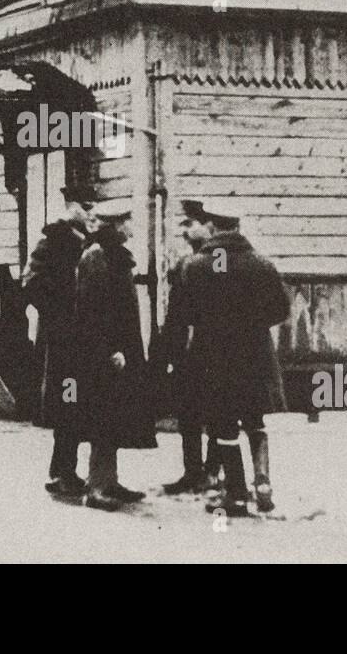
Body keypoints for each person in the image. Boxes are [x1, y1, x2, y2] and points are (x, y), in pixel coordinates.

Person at [184, 201, 288, 516]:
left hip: (215, 360)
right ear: (237, 226)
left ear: (213, 227)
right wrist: (251, 324)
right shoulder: (261, 263)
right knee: (255, 421)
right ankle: (264, 483)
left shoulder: (198, 265)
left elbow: (187, 312)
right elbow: (281, 310)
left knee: (224, 427)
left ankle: (237, 494)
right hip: (255, 357)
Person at [74, 202, 157, 511]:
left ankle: (110, 481)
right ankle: (95, 488)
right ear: (116, 225)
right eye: (128, 221)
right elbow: (92, 310)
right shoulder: (96, 256)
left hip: (121, 349)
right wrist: (109, 349)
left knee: (115, 415)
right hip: (104, 353)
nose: (132, 226)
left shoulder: (115, 255)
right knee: (102, 416)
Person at [23, 184, 97, 497]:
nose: (90, 211)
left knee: (79, 404)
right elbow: (31, 283)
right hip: (64, 342)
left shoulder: (89, 240)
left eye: (92, 205)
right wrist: (63, 311)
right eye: (85, 205)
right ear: (70, 205)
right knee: (68, 403)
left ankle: (66, 471)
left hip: (84, 340)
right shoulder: (52, 240)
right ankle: (61, 472)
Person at [156, 199, 219, 495]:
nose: (186, 232)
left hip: (212, 349)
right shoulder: (183, 265)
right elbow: (175, 314)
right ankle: (194, 472)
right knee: (190, 415)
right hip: (188, 352)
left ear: (208, 227)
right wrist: (169, 351)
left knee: (218, 414)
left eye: (191, 224)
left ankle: (213, 471)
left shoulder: (218, 263)